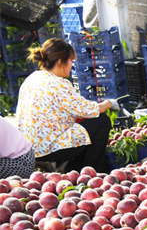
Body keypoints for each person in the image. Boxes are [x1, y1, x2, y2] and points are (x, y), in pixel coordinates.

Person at [16, 38, 119, 172]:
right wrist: (109, 103)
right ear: (60, 62)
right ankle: (93, 172)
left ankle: (74, 168)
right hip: (48, 148)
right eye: (70, 61)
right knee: (101, 121)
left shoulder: (32, 78)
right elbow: (89, 110)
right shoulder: (59, 84)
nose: (72, 66)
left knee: (84, 125)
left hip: (28, 148)